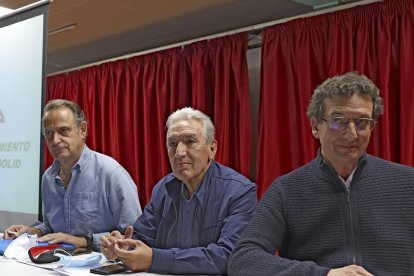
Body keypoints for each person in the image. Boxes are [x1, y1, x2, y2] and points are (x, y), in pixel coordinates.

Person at [228, 72, 414, 276]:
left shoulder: (408, 183)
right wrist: (324, 274)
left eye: (362, 122)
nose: (351, 134)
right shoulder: (286, 190)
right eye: (338, 120)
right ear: (315, 126)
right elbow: (243, 260)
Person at [100, 107, 257, 275]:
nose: (179, 152)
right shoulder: (163, 188)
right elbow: (142, 238)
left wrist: (155, 259)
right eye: (172, 144)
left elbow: (229, 257)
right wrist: (121, 246)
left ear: (212, 149)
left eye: (190, 141)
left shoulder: (240, 192)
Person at [4, 99, 142, 251]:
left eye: (63, 130)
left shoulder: (111, 173)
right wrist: (31, 232)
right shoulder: (48, 178)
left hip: (104, 266)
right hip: (56, 264)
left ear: (82, 130)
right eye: (49, 133)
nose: (55, 140)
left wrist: (85, 241)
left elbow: (134, 236)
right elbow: (51, 226)